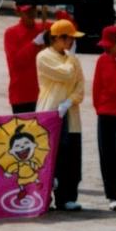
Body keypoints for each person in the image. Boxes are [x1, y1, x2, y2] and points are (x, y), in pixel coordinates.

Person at [37, 19, 85, 211]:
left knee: (71, 157)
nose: (72, 42)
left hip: (70, 113)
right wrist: (72, 60)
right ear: (58, 38)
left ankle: (67, 197)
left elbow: (80, 87)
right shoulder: (43, 57)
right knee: (50, 156)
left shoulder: (72, 60)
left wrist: (70, 100)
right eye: (69, 38)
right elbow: (65, 75)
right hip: (50, 110)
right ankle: (44, 196)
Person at [92, 25, 116, 211]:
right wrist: (100, 108)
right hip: (106, 113)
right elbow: (97, 87)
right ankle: (114, 195)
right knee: (107, 155)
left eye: (109, 46)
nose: (106, 50)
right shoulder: (102, 61)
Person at [4, 3, 48, 113]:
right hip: (21, 94)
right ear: (18, 12)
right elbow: (16, 62)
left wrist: (61, 14)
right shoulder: (11, 33)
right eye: (26, 11)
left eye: (33, 9)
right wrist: (34, 43)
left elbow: (70, 29)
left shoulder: (43, 28)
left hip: (44, 93)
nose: (31, 14)